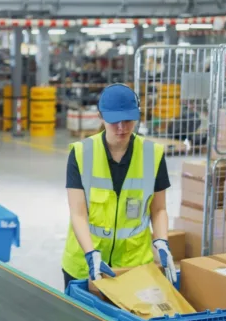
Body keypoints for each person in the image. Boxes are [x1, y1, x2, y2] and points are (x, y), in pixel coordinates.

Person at [62, 83, 176, 288]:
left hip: (133, 267)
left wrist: (162, 242)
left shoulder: (153, 154)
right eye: (115, 120)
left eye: (128, 119)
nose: (122, 127)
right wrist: (90, 254)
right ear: (101, 116)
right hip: (83, 266)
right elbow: (78, 213)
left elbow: (158, 209)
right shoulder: (81, 153)